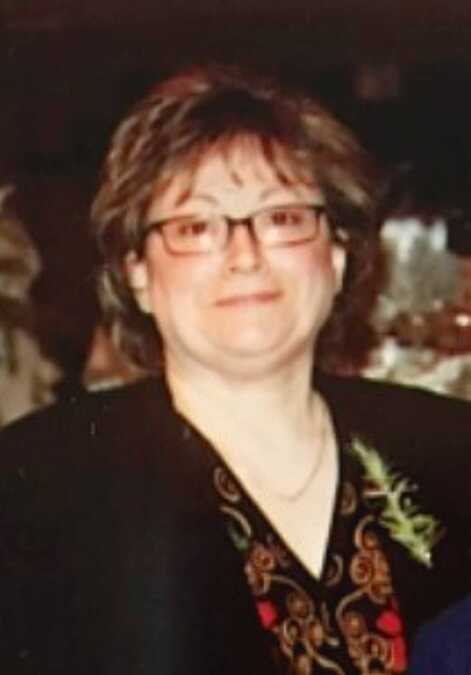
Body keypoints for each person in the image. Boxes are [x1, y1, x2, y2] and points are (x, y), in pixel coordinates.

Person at [1, 65, 471, 675]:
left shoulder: (452, 448)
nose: (244, 256)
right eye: (195, 228)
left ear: (336, 252)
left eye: (282, 219)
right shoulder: (34, 484)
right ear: (137, 272)